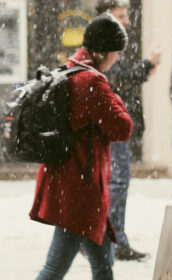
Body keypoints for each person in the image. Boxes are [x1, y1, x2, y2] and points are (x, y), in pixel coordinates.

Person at [29, 13, 133, 280]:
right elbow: (122, 128)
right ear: (102, 51)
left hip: (73, 184)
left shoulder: (70, 69)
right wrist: (117, 98)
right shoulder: (91, 82)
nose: (118, 58)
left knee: (103, 267)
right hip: (79, 191)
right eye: (116, 52)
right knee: (54, 269)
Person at [95, 0, 163, 261]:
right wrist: (148, 64)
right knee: (117, 182)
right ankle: (115, 240)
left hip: (114, 124)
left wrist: (145, 69)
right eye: (122, 16)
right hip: (111, 126)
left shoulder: (109, 43)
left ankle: (110, 240)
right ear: (108, 17)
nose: (127, 21)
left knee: (115, 182)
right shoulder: (105, 44)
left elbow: (121, 80)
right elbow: (118, 80)